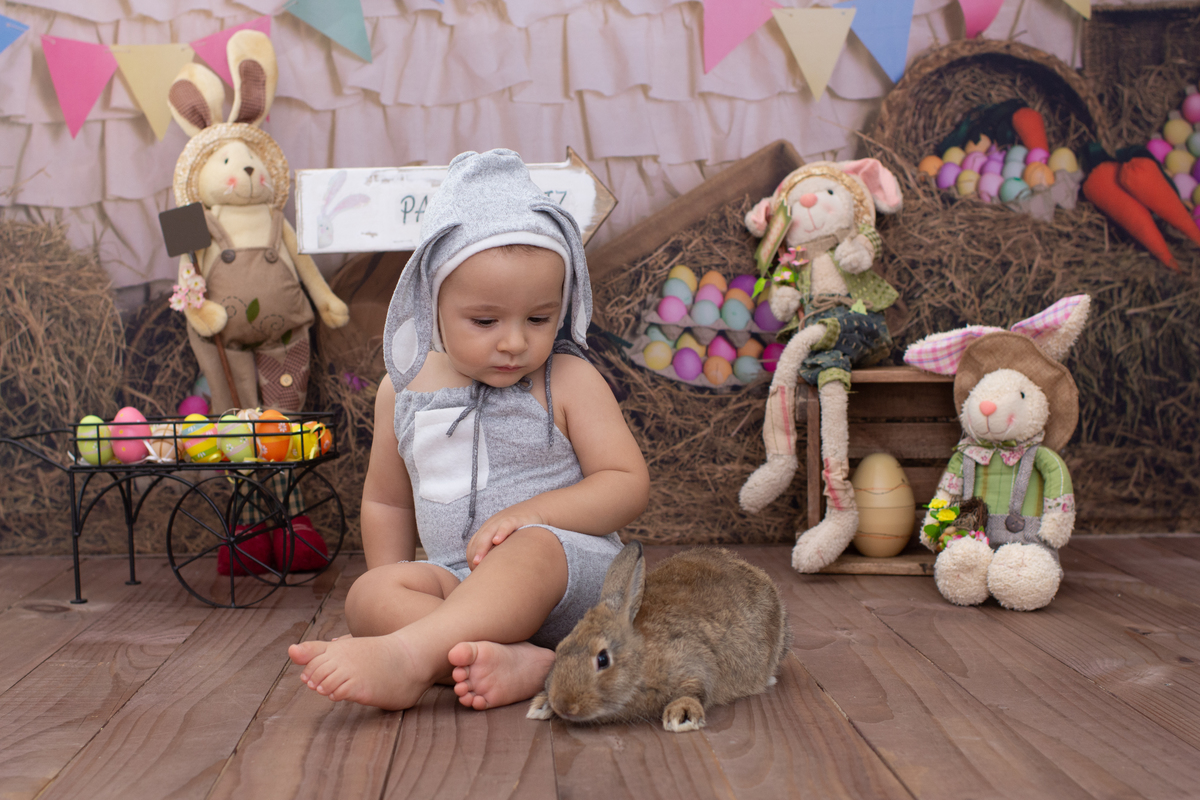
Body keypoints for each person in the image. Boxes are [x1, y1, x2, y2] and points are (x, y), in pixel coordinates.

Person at [288, 149, 649, 711]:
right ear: (434, 304)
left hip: (568, 577)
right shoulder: (403, 389)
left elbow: (626, 482)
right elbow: (387, 503)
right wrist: (394, 582)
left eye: (538, 318)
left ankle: (411, 656)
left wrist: (531, 516)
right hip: (456, 583)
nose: (514, 342)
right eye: (485, 321)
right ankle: (529, 664)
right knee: (368, 596)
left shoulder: (568, 379)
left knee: (529, 549)